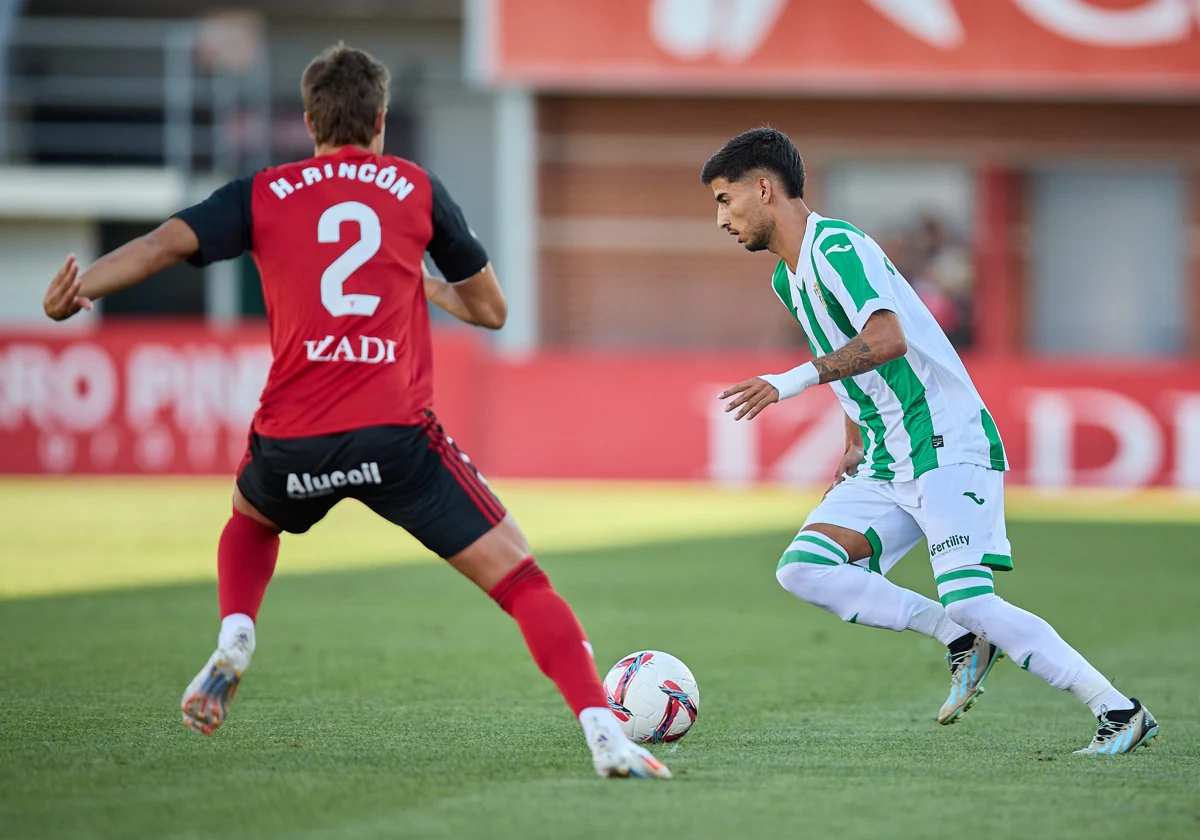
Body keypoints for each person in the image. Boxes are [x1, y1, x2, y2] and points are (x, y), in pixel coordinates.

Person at [41, 43, 669, 780]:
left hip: (291, 439)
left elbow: (160, 246)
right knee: (523, 581)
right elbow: (492, 310)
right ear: (380, 120)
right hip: (394, 436)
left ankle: (237, 634)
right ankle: (604, 733)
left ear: (309, 121)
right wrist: (421, 284)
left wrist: (82, 290)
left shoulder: (265, 192)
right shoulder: (413, 188)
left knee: (250, 518)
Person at [700, 127, 1157, 755]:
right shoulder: (789, 277)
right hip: (889, 454)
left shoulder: (838, 246)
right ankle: (960, 638)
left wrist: (789, 381)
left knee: (974, 600)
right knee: (805, 569)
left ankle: (1119, 710)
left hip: (943, 439)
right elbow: (852, 357)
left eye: (726, 200)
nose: (721, 218)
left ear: (762, 188)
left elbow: (888, 340)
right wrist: (853, 435)